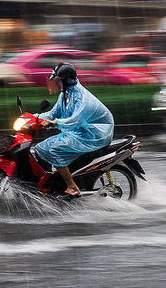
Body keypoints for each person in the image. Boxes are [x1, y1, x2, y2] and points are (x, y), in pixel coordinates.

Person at [33, 62, 114, 198]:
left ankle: (72, 186)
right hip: (79, 131)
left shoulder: (82, 98)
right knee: (40, 148)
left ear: (67, 81)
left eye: (58, 81)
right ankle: (50, 183)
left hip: (95, 134)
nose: (56, 84)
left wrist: (54, 123)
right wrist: (34, 118)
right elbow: (53, 113)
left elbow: (74, 120)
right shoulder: (65, 95)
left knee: (55, 150)